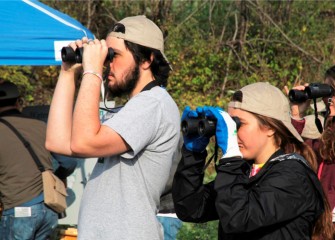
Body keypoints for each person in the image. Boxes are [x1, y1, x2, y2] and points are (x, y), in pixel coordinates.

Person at [45, 15, 180, 239]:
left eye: (114, 55)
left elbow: (83, 142)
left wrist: (92, 71)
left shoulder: (154, 104)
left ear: (146, 60)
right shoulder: (128, 111)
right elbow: (57, 141)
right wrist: (68, 72)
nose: (107, 64)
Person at [172, 82, 334, 239]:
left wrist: (230, 159)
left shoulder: (294, 175)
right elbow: (191, 208)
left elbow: (238, 218)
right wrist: (193, 155)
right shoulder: (246, 171)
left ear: (270, 127)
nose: (233, 133)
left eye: (238, 124)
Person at [0, 81, 76, 240]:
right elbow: (69, 163)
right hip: (49, 209)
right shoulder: (41, 126)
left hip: (18, 210)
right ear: (18, 101)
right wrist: (55, 178)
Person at [288, 65, 335, 227]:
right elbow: (285, 159)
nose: (328, 98)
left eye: (333, 91)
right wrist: (297, 115)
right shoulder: (324, 142)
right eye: (327, 91)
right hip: (316, 226)